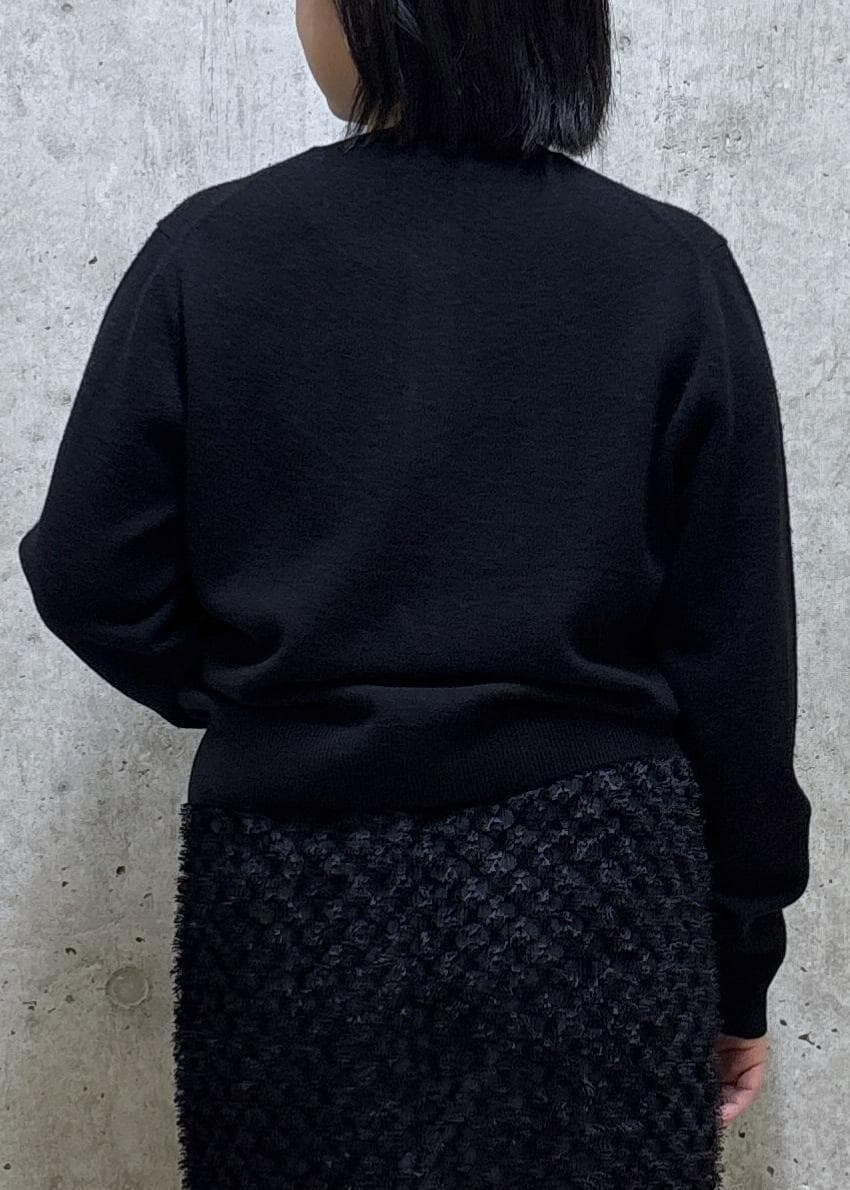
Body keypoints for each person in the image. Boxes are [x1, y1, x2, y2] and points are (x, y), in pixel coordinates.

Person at [18, 0, 812, 1186]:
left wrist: (269, 700)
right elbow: (736, 654)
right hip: (595, 896)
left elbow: (90, 569)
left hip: (293, 892)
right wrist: (738, 961)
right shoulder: (667, 266)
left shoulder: (213, 251)